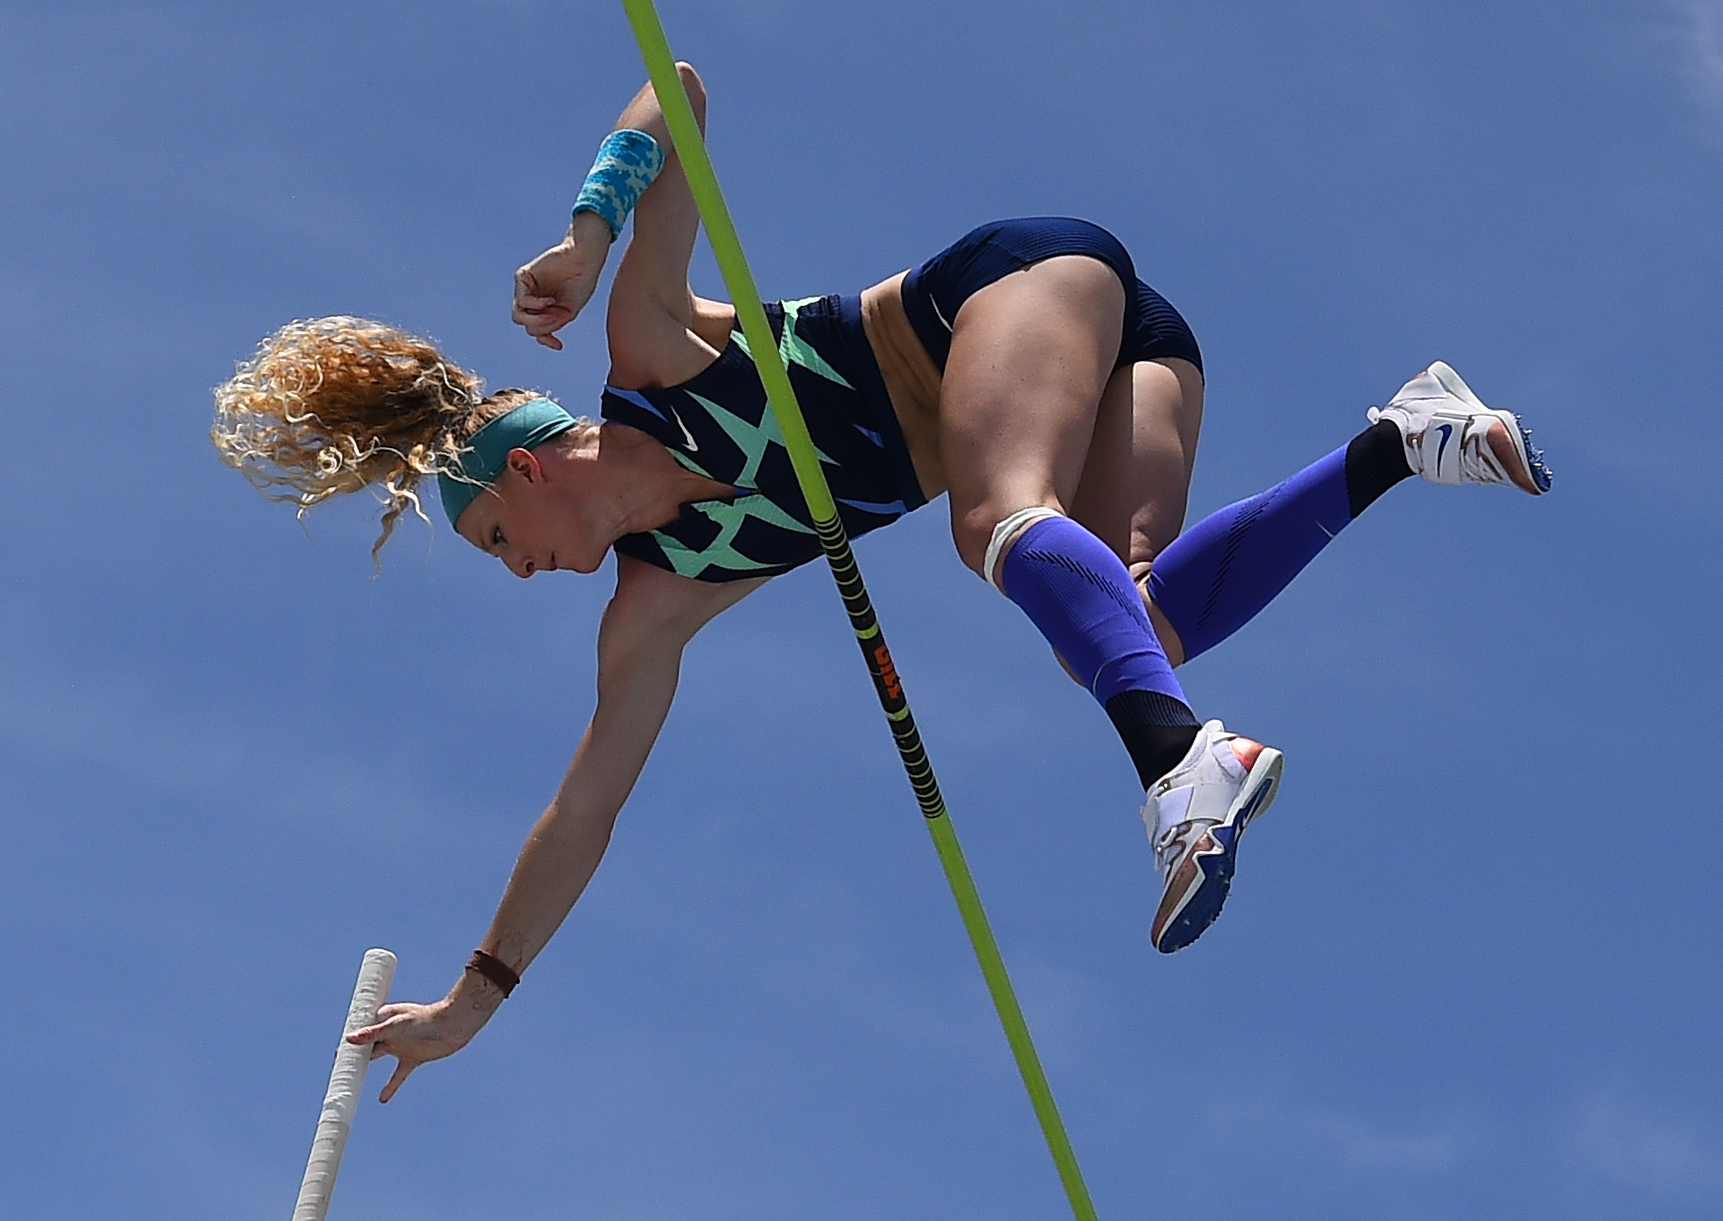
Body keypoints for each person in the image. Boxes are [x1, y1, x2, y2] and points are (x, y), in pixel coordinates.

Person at [211, 64, 1549, 1102]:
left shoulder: (651, 347)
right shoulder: (656, 597)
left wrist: (585, 232)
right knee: (1135, 612)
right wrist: (476, 995)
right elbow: (582, 812)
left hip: (1016, 286)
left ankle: (1179, 766)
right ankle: (1399, 442)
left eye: (495, 543)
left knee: (995, 522)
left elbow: (677, 92)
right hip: (1136, 351)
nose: (520, 574)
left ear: (519, 474)